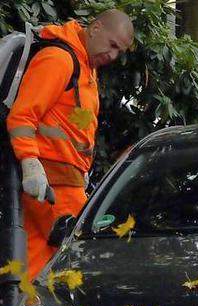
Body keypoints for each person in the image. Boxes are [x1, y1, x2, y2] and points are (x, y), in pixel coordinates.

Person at [7, 9, 134, 280]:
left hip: (57, 183)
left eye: (119, 52)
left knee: (36, 263)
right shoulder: (59, 60)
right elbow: (22, 116)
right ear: (95, 28)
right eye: (112, 45)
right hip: (53, 184)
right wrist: (31, 165)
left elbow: (71, 126)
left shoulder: (83, 68)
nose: (112, 55)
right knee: (81, 256)